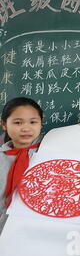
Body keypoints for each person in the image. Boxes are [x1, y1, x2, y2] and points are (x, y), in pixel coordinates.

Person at [0, 97, 43, 235]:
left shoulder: (52, 152)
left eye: (33, 122)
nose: (26, 128)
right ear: (4, 124)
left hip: (42, 232)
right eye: (18, 122)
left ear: (41, 124)